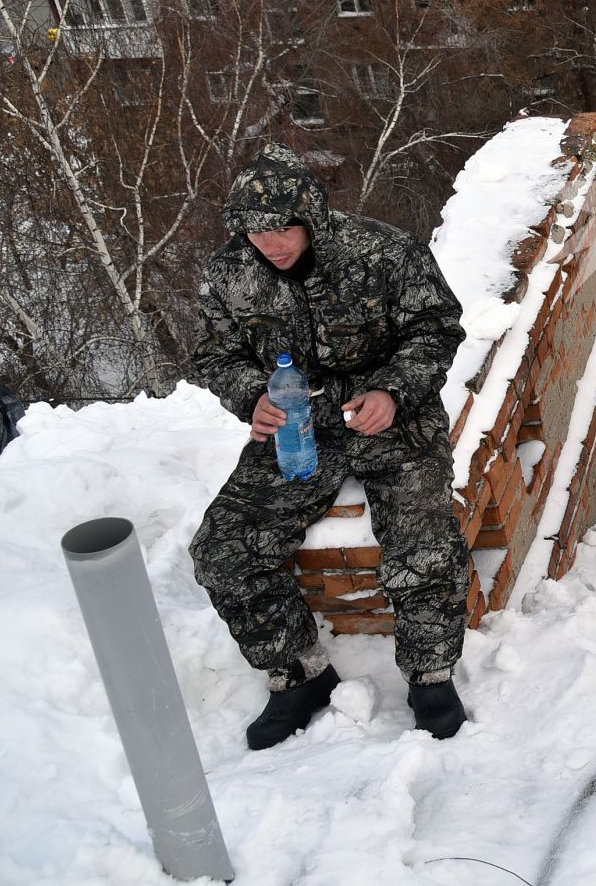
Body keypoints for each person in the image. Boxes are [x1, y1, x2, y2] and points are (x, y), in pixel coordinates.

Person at [190, 143, 472, 749]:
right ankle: (299, 676)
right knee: (224, 548)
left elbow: (436, 327)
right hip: (298, 426)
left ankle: (430, 674)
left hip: (391, 419)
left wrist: (394, 390)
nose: (272, 243)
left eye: (283, 227)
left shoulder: (383, 250)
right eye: (256, 231)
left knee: (422, 541)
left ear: (311, 215)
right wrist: (250, 396)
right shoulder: (227, 275)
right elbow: (216, 354)